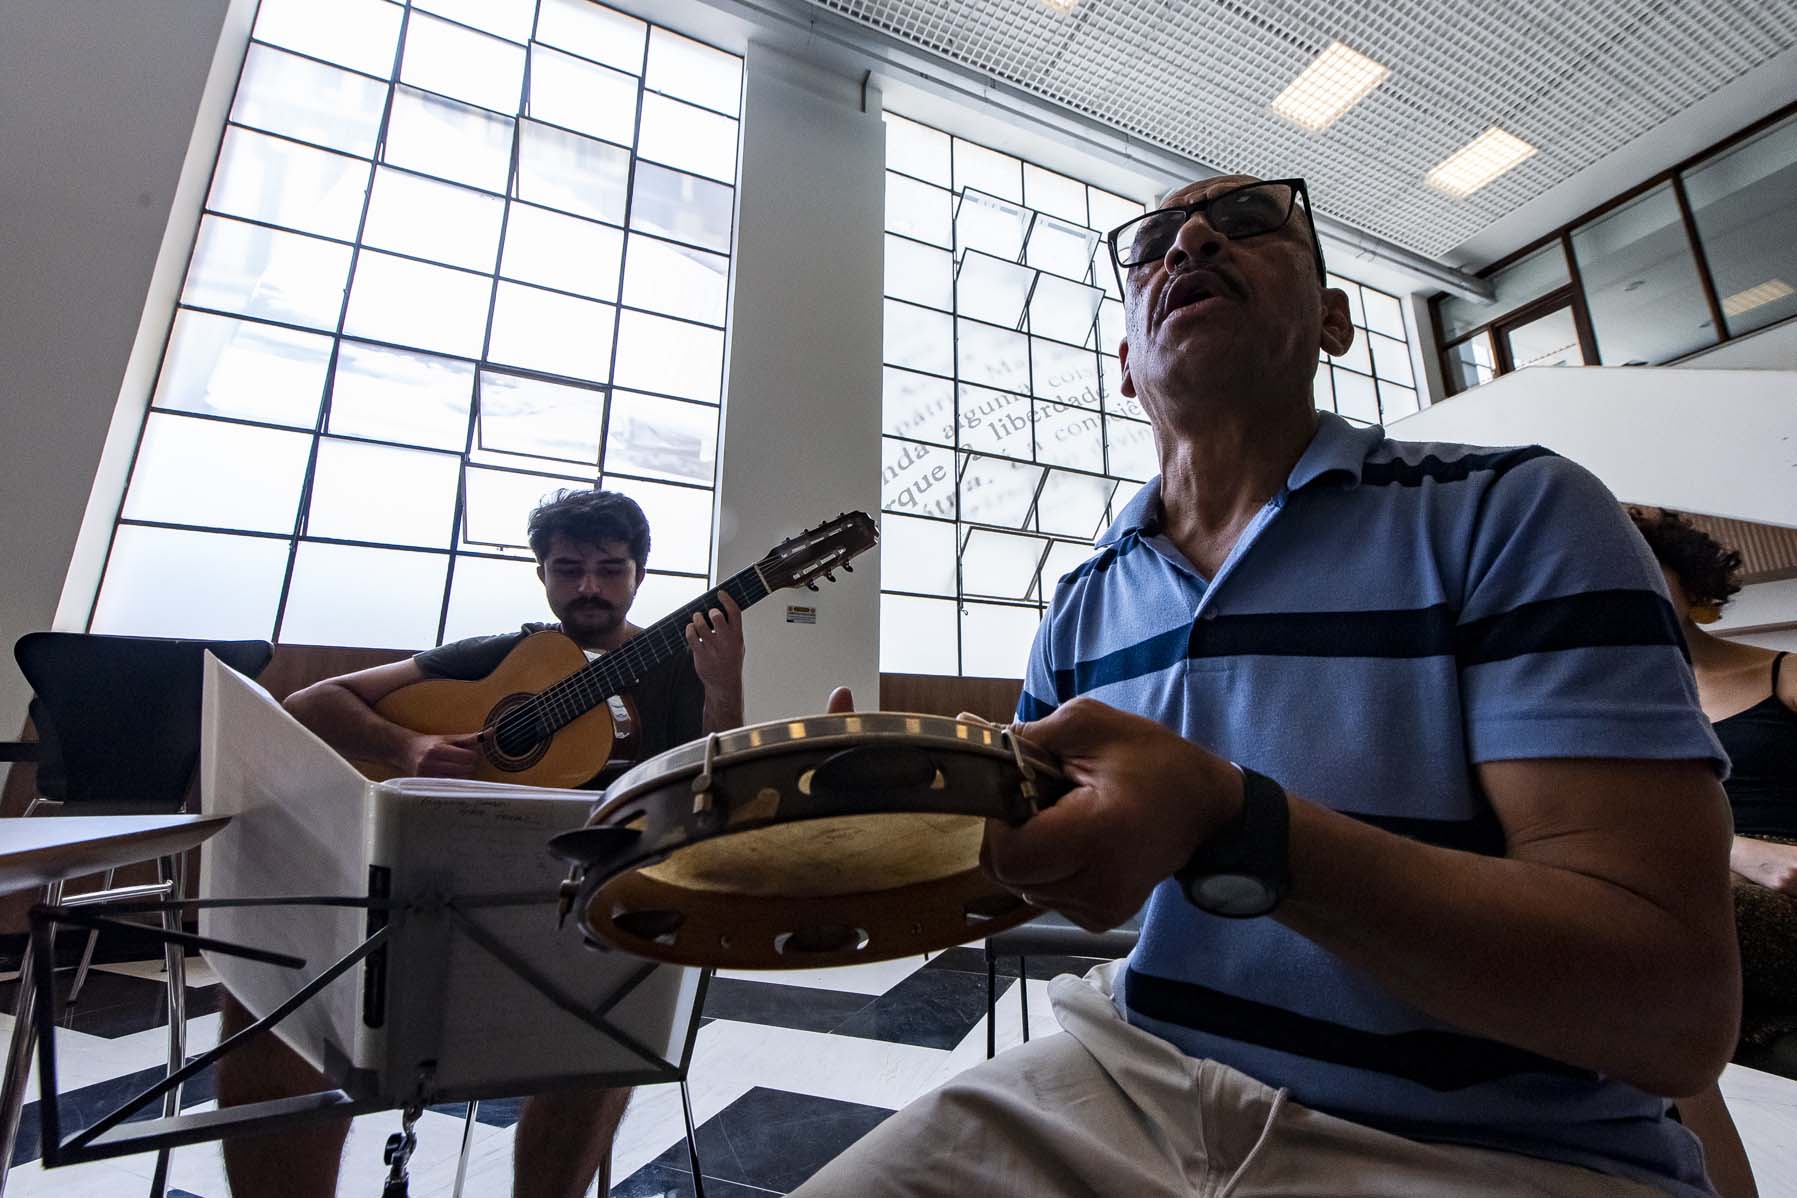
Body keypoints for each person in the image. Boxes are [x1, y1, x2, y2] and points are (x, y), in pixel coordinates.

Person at [796, 176, 1740, 1197]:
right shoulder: (1086, 600)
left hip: (1489, 1144)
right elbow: (1037, 863)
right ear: (1125, 365)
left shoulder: (1516, 514)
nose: (1192, 239)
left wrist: (1242, 828)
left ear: (1334, 320)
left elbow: (1673, 1006)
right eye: (1154, 243)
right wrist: (891, 823)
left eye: (1249, 224)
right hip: (1130, 1076)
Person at [215, 488, 746, 1198]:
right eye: (567, 568)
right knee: (272, 999)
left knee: (612, 1018)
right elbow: (312, 704)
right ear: (542, 575)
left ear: (638, 575)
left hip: (579, 907)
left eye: (610, 569)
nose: (588, 586)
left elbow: (717, 784)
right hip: (429, 892)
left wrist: (723, 683)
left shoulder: (677, 667)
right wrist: (407, 745)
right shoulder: (504, 654)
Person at [1629, 506, 1797, 1198]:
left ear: (1687, 580)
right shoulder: (1619, 713)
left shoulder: (1781, 673)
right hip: (1704, 895)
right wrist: (1737, 849)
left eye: (1643, 568)